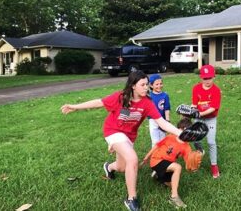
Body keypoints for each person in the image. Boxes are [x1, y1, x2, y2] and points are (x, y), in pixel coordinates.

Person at [60, 70, 181, 211]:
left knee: (122, 167)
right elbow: (98, 102)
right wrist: (75, 107)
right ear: (133, 86)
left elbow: (162, 122)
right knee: (132, 159)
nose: (146, 87)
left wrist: (180, 133)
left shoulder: (147, 103)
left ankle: (109, 167)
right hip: (113, 131)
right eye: (143, 85)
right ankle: (131, 199)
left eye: (147, 84)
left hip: (128, 137)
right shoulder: (120, 97)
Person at [141, 118, 194, 208]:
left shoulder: (187, 146)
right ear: (179, 129)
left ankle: (158, 176)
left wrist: (193, 166)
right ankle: (174, 198)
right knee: (177, 167)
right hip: (156, 160)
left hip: (167, 165)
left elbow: (188, 162)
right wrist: (146, 157)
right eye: (182, 130)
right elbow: (157, 145)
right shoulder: (170, 137)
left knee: (173, 185)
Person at [191, 64, 222, 178]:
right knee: (194, 138)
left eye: (209, 78)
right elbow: (194, 104)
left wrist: (199, 113)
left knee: (211, 142)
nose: (207, 80)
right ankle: (200, 150)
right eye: (205, 78)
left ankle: (214, 166)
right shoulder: (196, 88)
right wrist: (191, 111)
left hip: (210, 119)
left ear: (213, 77)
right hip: (198, 118)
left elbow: (213, 108)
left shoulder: (216, 90)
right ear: (201, 78)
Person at [148, 74, 171, 148]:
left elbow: (167, 108)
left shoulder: (165, 95)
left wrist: (167, 119)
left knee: (163, 140)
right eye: (156, 84)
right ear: (151, 85)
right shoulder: (149, 96)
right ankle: (154, 157)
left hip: (162, 119)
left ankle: (162, 157)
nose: (159, 86)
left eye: (161, 83)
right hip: (153, 120)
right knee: (155, 141)